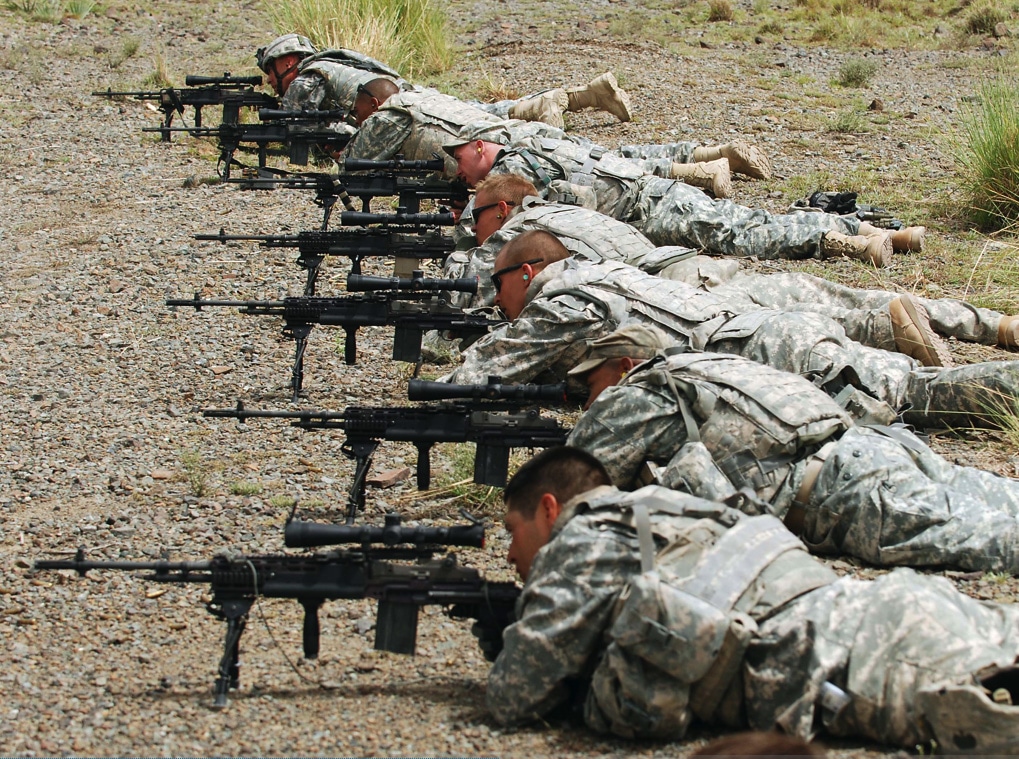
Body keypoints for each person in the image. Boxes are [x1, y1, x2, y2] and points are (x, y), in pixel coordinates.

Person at [487, 446, 1019, 753]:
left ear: (551, 510)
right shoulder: (663, 506)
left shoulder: (580, 539)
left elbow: (516, 697)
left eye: (514, 531)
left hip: (859, 662)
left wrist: (505, 635)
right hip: (885, 609)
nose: (511, 554)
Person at [441, 229, 1019, 430]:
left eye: (499, 287)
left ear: (531, 271)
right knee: (912, 391)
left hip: (767, 355)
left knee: (921, 396)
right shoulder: (603, 274)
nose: (497, 302)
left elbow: (478, 376)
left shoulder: (562, 301)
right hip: (767, 332)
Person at [563, 323, 1019, 575]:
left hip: (846, 492)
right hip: (878, 446)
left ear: (624, 366)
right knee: (1001, 500)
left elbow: (569, 481)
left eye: (591, 382)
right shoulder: (709, 366)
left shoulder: (639, 391)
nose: (588, 397)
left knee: (996, 541)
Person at [446, 173, 1019, 357]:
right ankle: (991, 323)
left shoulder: (523, 237)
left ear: (501, 211)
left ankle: (888, 333)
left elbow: (464, 287)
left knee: (803, 326)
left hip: (675, 287)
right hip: (696, 265)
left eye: (479, 221)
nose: (479, 234)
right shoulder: (565, 207)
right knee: (822, 293)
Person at [443, 121, 926, 266]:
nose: (460, 171)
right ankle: (872, 232)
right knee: (744, 223)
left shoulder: (514, 165)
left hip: (648, 206)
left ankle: (858, 239)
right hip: (647, 193)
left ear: (480, 145)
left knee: (742, 233)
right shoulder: (537, 138)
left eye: (459, 158)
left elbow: (508, 217)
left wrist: (463, 224)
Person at [255, 33, 633, 130]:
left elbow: (293, 124)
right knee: (476, 111)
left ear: (287, 61)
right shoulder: (331, 63)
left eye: (271, 73)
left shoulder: (307, 75)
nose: (272, 82)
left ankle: (552, 103)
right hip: (406, 95)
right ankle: (582, 95)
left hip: (402, 110)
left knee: (475, 121)